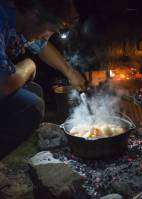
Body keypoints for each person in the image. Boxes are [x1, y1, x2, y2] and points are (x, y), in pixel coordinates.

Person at [0, 0, 86, 158]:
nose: (48, 37)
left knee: (33, 91)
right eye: (50, 30)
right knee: (31, 106)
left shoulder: (23, 20)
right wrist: (29, 65)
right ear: (35, 14)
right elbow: (3, 85)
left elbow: (41, 46)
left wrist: (69, 72)